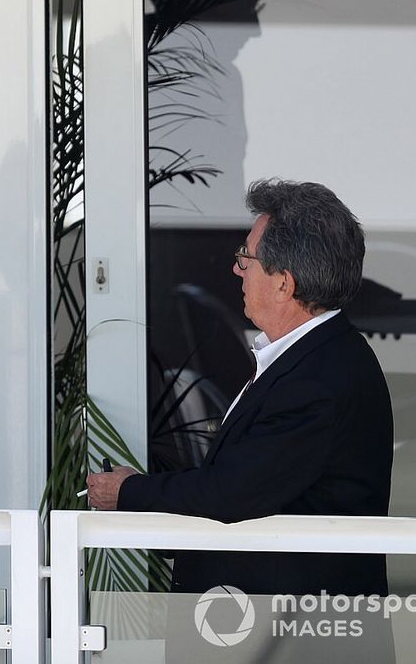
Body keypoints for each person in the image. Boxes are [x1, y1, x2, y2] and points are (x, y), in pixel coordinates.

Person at [88, 179, 394, 598]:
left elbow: (234, 491)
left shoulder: (320, 375)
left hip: (298, 636)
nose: (237, 269)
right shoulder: (310, 359)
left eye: (245, 258)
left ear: (284, 283)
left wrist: (128, 491)